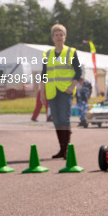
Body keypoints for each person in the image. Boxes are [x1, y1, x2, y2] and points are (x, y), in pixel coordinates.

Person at [40, 24, 82, 158]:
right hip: (52, 91)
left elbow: (78, 72)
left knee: (64, 119)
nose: (59, 37)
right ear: (52, 38)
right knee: (57, 121)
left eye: (61, 35)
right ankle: (62, 149)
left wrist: (72, 86)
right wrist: (42, 92)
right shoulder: (47, 54)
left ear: (65, 37)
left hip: (66, 91)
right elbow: (44, 74)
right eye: (56, 35)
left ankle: (67, 149)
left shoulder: (71, 52)